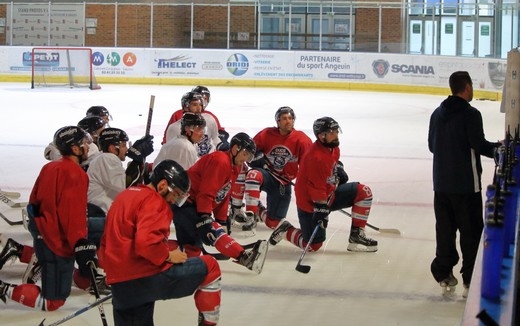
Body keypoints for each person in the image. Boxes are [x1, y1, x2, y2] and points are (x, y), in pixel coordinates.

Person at [98, 159, 222, 326]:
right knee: (210, 266)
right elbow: (146, 243)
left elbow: (107, 241)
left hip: (119, 284)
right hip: (144, 276)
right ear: (163, 185)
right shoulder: (155, 201)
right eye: (176, 194)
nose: (174, 200)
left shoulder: (124, 196)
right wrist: (168, 255)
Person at [0, 126, 104, 310]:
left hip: (44, 232)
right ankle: (3, 289)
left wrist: (42, 230)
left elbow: (34, 203)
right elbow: (72, 217)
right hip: (56, 242)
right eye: (85, 144)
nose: (88, 146)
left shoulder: (50, 167)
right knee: (53, 302)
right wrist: (81, 245)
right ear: (75, 149)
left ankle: (21, 251)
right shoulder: (75, 174)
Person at [428, 71, 501, 298]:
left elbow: (432, 146)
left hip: (441, 184)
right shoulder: (471, 114)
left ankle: (443, 272)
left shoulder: (437, 114)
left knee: (445, 230)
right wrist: (497, 149)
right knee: (470, 232)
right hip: (466, 186)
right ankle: (470, 278)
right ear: (467, 87)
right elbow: (478, 144)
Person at [269, 117, 378, 254]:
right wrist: (321, 209)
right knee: (313, 246)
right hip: (310, 203)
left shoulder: (332, 146)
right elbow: (316, 188)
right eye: (331, 132)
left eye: (336, 131)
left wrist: (339, 168)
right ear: (321, 136)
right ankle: (286, 230)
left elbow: (333, 162)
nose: (336, 135)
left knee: (363, 192)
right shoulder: (316, 158)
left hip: (328, 194)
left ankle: (356, 235)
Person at [172, 133, 268, 274]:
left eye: (249, 156)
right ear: (235, 149)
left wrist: (221, 218)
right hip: (185, 203)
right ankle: (244, 257)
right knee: (212, 231)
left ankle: (181, 271)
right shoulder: (220, 160)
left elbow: (224, 193)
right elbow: (206, 191)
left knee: (192, 246)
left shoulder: (234, 167)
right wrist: (205, 217)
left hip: (190, 203)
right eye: (245, 153)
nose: (246, 159)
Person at [228, 106, 312, 232]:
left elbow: (309, 165)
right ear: (277, 121)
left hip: (283, 183)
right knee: (252, 175)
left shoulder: (302, 140)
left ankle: (259, 209)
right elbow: (248, 152)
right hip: (266, 175)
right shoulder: (266, 134)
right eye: (284, 118)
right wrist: (255, 158)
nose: (288, 121)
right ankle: (247, 215)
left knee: (274, 222)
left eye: (290, 118)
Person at [162, 88, 230, 152]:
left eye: (200, 105)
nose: (199, 108)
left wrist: (220, 145)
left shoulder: (210, 119)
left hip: (209, 161)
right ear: (185, 106)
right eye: (195, 105)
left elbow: (215, 138)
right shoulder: (175, 128)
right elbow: (171, 151)